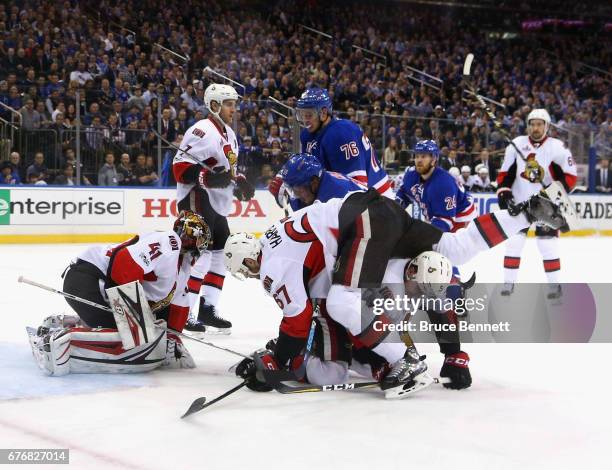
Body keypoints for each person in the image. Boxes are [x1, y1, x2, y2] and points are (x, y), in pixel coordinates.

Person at [223, 187, 569, 397]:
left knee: (344, 302)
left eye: (246, 271)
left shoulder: (271, 266)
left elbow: (297, 317)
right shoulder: (272, 237)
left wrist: (278, 361)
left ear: (247, 264)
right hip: (380, 209)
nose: (252, 276)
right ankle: (523, 215)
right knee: (455, 249)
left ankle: (406, 362)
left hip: (362, 222)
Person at [27, 211, 211, 376]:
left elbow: (179, 306)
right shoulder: (169, 242)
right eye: (200, 239)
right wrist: (135, 322)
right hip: (88, 280)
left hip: (94, 284)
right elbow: (124, 264)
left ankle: (59, 325)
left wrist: (171, 340)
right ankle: (60, 342)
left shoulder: (182, 266)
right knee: (138, 344)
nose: (201, 245)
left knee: (144, 338)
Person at [172, 83, 255, 334]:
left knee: (221, 254)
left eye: (234, 104)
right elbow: (180, 169)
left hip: (217, 202)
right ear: (215, 105)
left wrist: (238, 182)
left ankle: (207, 309)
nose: (234, 109)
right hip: (197, 198)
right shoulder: (201, 130)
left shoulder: (229, 133)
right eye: (229, 104)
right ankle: (183, 311)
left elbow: (226, 171)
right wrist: (207, 178)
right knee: (200, 255)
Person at [496, 109, 577, 298]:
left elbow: (570, 177)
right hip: (520, 202)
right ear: (528, 126)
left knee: (547, 245)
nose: (536, 127)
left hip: (545, 206)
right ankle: (508, 284)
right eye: (532, 124)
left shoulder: (558, 147)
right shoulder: (516, 145)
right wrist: (505, 194)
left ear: (546, 126)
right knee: (514, 243)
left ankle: (554, 286)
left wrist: (552, 196)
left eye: (540, 124)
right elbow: (504, 174)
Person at [269, 88, 392, 207]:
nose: (305, 121)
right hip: (349, 197)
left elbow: (358, 189)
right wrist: (286, 178)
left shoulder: (342, 133)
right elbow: (309, 171)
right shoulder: (307, 135)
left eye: (308, 115)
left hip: (377, 198)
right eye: (301, 115)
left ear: (323, 113)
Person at [396, 141, 476, 232]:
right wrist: (394, 210)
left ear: (434, 159)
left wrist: (426, 236)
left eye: (423, 156)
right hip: (437, 215)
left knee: (441, 244)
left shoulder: (444, 184)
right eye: (417, 156)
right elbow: (404, 193)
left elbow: (445, 220)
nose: (419, 160)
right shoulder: (411, 175)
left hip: (461, 217)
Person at [280, 153, 365, 211]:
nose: (296, 196)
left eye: (298, 190)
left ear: (314, 182)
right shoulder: (319, 183)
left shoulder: (336, 199)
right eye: (292, 190)